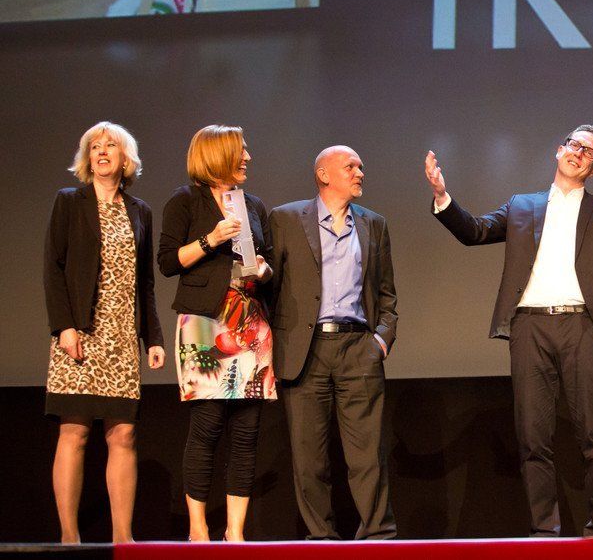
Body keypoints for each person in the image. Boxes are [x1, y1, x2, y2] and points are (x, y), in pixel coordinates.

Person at [425, 125, 593, 537]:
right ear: (559, 150)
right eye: (574, 144)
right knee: (533, 435)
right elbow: (475, 231)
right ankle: (544, 532)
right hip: (529, 326)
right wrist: (442, 196)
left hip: (583, 326)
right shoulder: (521, 205)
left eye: (589, 152)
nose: (578, 152)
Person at [43, 121, 165, 543]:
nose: (101, 151)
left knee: (124, 433)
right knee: (74, 431)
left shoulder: (139, 211)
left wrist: (153, 338)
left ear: (125, 158)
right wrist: (64, 326)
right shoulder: (69, 201)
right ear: (87, 158)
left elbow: (145, 282)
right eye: (94, 146)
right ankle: (69, 537)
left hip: (122, 335)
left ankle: (122, 539)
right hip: (80, 333)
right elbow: (53, 267)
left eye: (110, 145)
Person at [269, 145, 398, 540]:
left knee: (368, 455)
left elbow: (387, 294)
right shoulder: (286, 219)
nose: (360, 172)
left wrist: (380, 341)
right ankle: (320, 541)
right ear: (323, 175)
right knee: (309, 458)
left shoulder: (374, 224)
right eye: (350, 166)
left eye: (360, 166)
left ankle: (378, 537)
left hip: (358, 348)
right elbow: (271, 288)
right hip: (306, 351)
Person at [158, 125, 275, 542]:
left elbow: (268, 260)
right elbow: (167, 262)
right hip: (205, 324)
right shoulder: (185, 200)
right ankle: (198, 531)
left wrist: (264, 270)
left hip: (251, 324)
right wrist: (210, 240)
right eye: (241, 151)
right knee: (206, 427)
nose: (247, 158)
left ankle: (235, 533)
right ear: (217, 155)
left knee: (246, 433)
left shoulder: (253, 205)